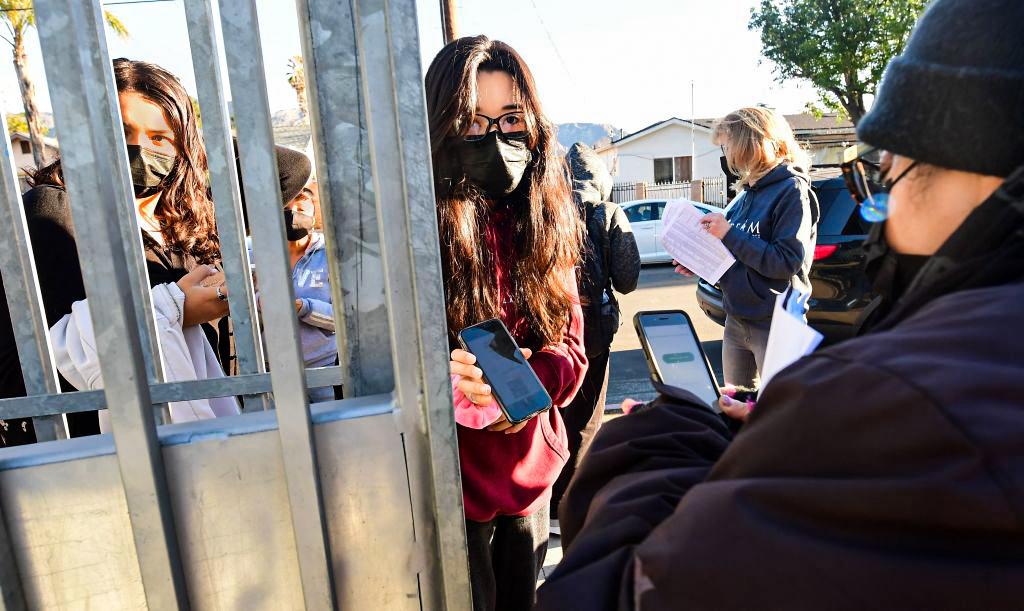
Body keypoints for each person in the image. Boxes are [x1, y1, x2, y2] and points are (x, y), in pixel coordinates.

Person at [536, 0, 1024, 608]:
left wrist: (656, 441)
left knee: (712, 404)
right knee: (744, 399)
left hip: (769, 316)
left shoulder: (904, 394)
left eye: (887, 171)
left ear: (979, 160)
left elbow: (637, 588)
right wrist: (772, 432)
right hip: (739, 316)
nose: (881, 208)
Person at [424, 36, 587, 611]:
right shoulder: (415, 232)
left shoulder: (547, 222)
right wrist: (457, 387)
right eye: (473, 122)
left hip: (527, 479)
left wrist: (515, 393)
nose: (494, 139)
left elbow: (572, 352)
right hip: (443, 490)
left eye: (511, 119)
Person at [0, 58, 234, 445]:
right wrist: (175, 310)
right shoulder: (57, 210)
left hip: (191, 432)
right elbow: (47, 354)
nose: (139, 149)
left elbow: (291, 168)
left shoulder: (181, 224)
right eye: (122, 131)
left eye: (160, 138)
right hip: (95, 445)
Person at [676, 106, 818, 389]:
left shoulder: (792, 191)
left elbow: (786, 262)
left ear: (751, 144)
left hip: (778, 322)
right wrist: (700, 262)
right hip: (737, 319)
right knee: (737, 412)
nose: (726, 155)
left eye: (727, 145)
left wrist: (728, 233)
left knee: (781, 416)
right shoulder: (746, 194)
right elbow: (736, 253)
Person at [550, 142, 639, 531]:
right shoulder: (607, 214)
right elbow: (627, 278)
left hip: (547, 326)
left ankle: (547, 497)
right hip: (594, 329)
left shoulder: (546, 211)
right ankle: (573, 503)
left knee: (552, 411)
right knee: (587, 416)